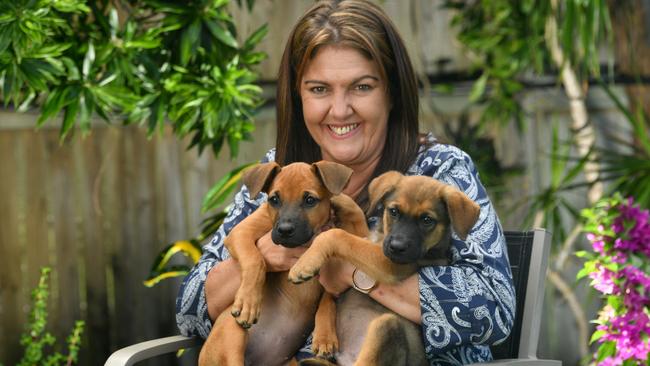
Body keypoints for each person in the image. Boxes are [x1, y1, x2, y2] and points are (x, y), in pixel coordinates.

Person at [176, 0, 515, 365]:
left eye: (362, 87)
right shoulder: (281, 176)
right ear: (298, 97)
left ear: (392, 93)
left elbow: (492, 307)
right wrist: (264, 258)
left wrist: (354, 271)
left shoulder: (439, 171)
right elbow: (190, 307)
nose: (339, 110)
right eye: (319, 89)